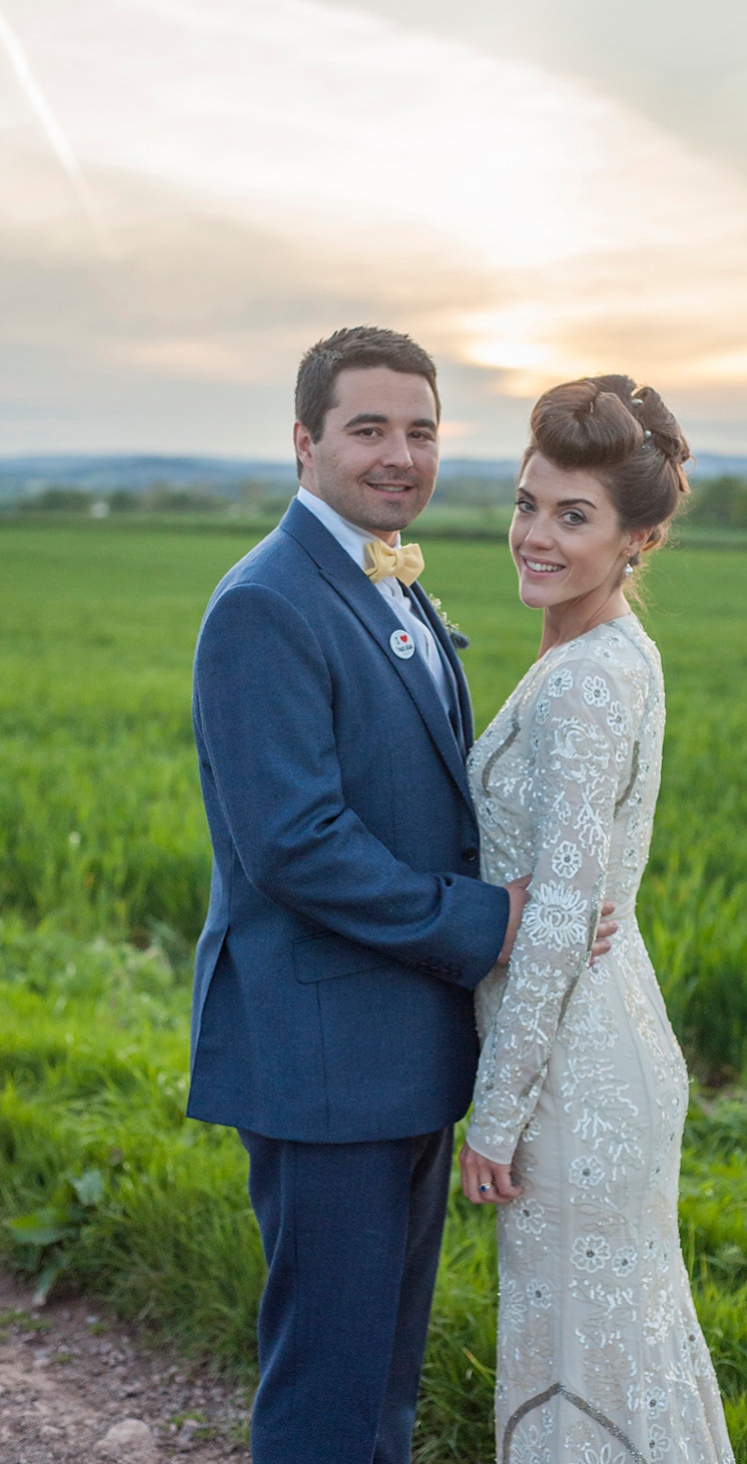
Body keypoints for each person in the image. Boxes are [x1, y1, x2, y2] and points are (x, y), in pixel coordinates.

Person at [186, 326, 615, 1464]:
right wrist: (499, 921)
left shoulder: (397, 589)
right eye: (368, 427)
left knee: (381, 1377)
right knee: (329, 1382)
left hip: (403, 1045)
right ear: (304, 441)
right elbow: (299, 844)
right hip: (323, 1054)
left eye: (420, 430)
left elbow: (431, 807)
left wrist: (561, 897)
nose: (398, 454)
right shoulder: (265, 604)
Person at [459, 376, 736, 1464]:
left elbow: (568, 912)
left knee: (585, 1359)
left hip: (575, 1079)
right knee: (608, 1350)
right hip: (597, 1041)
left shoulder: (586, 680)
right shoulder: (607, 650)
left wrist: (496, 1110)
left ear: (640, 538)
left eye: (574, 516)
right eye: (530, 502)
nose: (535, 534)